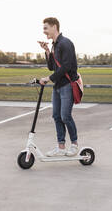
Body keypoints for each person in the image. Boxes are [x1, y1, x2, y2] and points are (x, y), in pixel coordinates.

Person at [37, 17, 79, 157]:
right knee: (56, 116)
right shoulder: (55, 45)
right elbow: (51, 67)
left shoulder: (66, 43)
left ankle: (74, 145)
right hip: (58, 85)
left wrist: (48, 79)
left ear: (54, 27)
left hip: (67, 85)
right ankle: (61, 146)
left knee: (65, 116)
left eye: (46, 28)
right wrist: (48, 51)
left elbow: (66, 67)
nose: (44, 32)